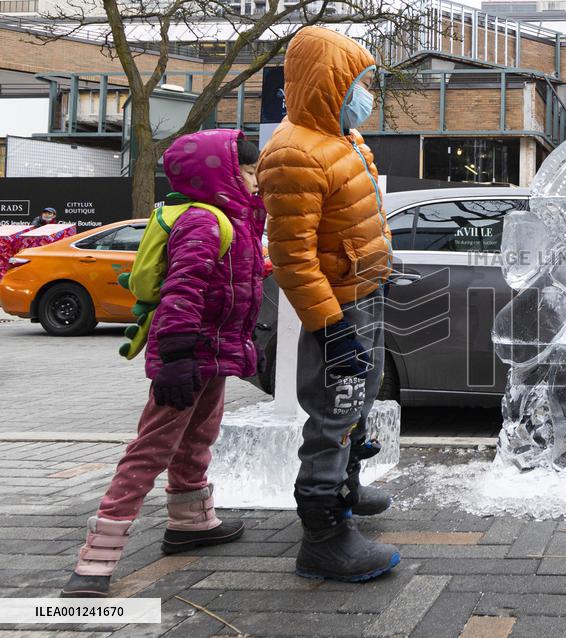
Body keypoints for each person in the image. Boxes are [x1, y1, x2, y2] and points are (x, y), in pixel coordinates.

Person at [61, 129, 266, 598]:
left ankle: (191, 521)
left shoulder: (232, 219)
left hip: (211, 353)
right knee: (152, 448)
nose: (256, 181)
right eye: (249, 171)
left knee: (198, 436)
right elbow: (183, 289)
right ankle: (96, 560)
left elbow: (230, 277)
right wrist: (174, 356)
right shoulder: (203, 220)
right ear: (220, 173)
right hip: (186, 354)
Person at [257, 26, 399, 583]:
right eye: (359, 83)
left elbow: (356, 221)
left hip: (365, 295)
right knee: (335, 411)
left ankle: (348, 487)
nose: (368, 95)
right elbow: (292, 257)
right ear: (327, 85)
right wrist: (331, 326)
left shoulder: (344, 140)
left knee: (359, 399)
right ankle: (322, 532)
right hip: (337, 310)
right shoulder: (293, 153)